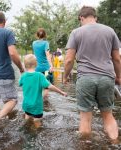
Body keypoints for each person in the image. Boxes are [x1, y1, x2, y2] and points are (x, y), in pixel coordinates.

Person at [64, 6, 121, 142]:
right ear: (95, 17)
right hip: (107, 77)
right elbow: (117, 58)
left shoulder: (76, 32)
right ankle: (115, 143)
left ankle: (86, 146)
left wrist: (65, 76)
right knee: (108, 115)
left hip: (85, 79)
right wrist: (118, 77)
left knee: (85, 117)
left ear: (81, 18)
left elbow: (69, 59)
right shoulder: (110, 31)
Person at [19, 54, 67, 128]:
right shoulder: (39, 75)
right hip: (36, 106)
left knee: (27, 119)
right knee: (37, 123)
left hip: (26, 104)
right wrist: (61, 92)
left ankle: (26, 129)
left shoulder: (23, 76)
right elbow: (50, 86)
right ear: (36, 64)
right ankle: (35, 133)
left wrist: (22, 74)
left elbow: (20, 84)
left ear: (25, 65)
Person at [32, 28, 53, 99]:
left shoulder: (34, 43)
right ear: (45, 35)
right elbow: (47, 54)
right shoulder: (46, 43)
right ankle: (44, 102)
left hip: (37, 68)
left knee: (38, 86)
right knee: (46, 86)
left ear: (37, 35)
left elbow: (35, 55)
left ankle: (37, 100)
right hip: (45, 68)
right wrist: (51, 65)